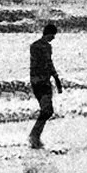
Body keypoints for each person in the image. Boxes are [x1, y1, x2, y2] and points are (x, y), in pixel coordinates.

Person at [28, 21, 62, 149]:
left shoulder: (46, 47)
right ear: (47, 34)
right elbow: (42, 64)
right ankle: (34, 136)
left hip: (44, 81)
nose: (53, 38)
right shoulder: (36, 46)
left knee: (47, 111)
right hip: (38, 81)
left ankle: (35, 135)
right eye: (52, 35)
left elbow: (49, 63)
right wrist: (55, 78)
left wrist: (56, 78)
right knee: (47, 111)